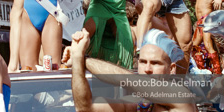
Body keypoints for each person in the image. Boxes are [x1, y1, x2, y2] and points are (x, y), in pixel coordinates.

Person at [62, 28, 196, 111]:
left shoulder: (180, 95)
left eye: (155, 63)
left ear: (171, 69)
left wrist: (82, 58)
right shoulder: (140, 105)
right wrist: (77, 56)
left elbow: (130, 80)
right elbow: (85, 107)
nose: (147, 69)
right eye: (143, 62)